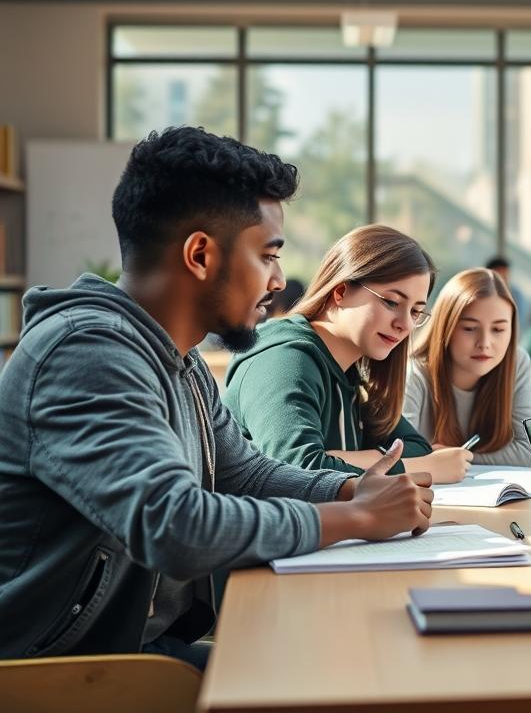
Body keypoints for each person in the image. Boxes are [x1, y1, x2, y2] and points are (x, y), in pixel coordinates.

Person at [0, 128, 432, 666]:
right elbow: (174, 526)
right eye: (268, 256)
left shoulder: (178, 359)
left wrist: (348, 490)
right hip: (60, 667)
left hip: (141, 646)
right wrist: (355, 519)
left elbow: (245, 476)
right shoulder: (86, 355)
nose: (278, 281)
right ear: (201, 254)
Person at [224, 225, 471, 484]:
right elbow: (300, 471)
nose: (405, 324)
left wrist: (339, 458)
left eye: (415, 312)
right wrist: (420, 469)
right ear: (340, 292)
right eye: (391, 302)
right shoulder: (284, 360)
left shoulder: (351, 371)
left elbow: (415, 446)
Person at [404, 268, 531, 467]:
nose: (484, 343)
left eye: (498, 329)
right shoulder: (413, 371)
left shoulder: (516, 362)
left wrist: (462, 458)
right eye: (469, 328)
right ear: (445, 326)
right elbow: (398, 455)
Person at [486, 255, 529, 335]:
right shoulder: (481, 295)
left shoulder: (516, 294)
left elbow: (519, 322)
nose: (503, 281)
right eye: (500, 276)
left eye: (506, 276)